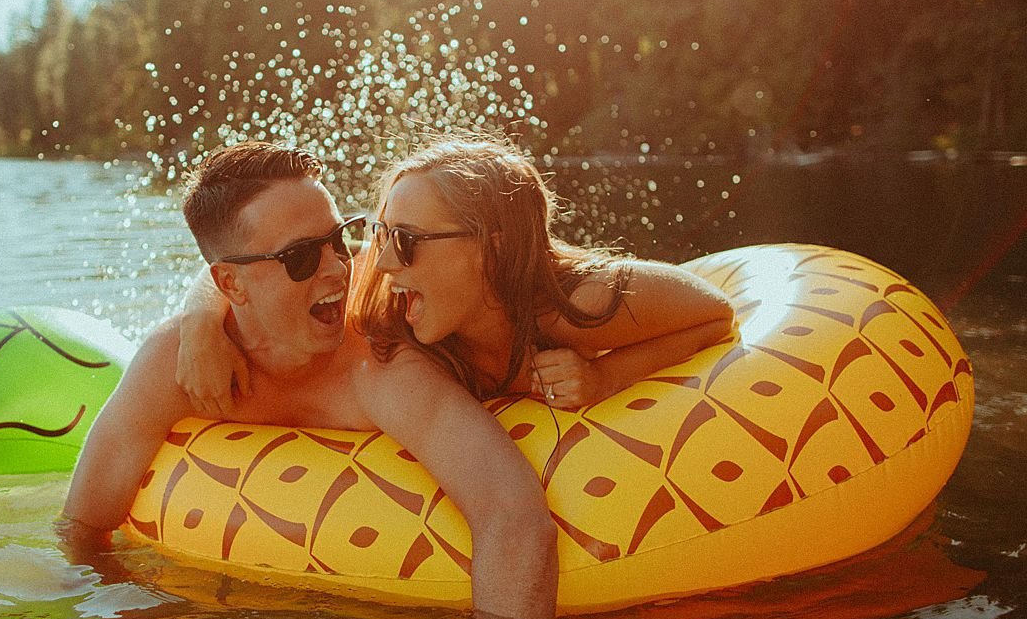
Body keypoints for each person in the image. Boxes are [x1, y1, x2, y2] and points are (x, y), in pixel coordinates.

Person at [60, 140, 556, 619]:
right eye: (300, 258)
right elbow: (82, 524)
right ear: (229, 284)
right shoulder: (174, 368)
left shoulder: (381, 364)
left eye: (339, 240)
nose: (337, 271)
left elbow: (511, 513)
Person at [179, 133, 735, 417]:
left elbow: (714, 313)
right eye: (381, 233)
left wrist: (609, 379)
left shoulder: (574, 306)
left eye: (408, 241)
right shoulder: (390, 287)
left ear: (489, 249)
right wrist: (201, 322)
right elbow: (259, 267)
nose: (383, 260)